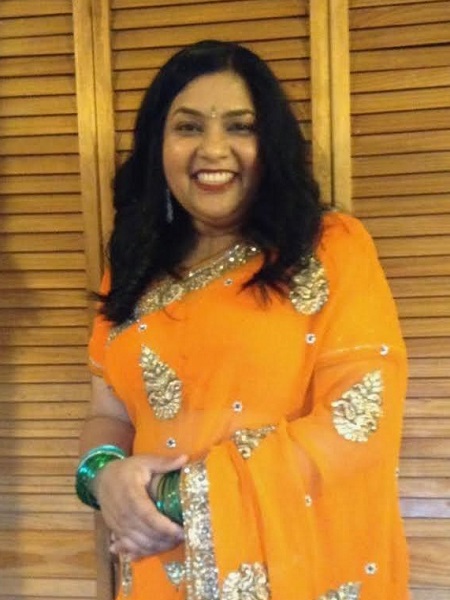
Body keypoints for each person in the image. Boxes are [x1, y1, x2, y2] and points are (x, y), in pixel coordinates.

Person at [77, 40, 410, 600]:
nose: (213, 149)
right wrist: (103, 476)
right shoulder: (132, 271)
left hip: (293, 570)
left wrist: (172, 496)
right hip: (158, 566)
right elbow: (107, 412)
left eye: (240, 127)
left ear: (270, 144)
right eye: (188, 127)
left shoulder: (329, 248)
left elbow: (360, 418)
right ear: (158, 144)